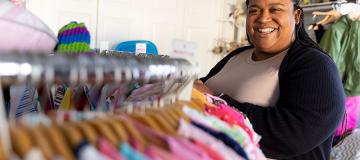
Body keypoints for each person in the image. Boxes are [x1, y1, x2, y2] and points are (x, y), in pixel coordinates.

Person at [194, 0, 345, 159]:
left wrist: (215, 101)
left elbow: (292, 136)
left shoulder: (315, 65)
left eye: (275, 9)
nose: (263, 18)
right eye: (254, 10)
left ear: (297, 15)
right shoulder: (238, 55)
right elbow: (202, 87)